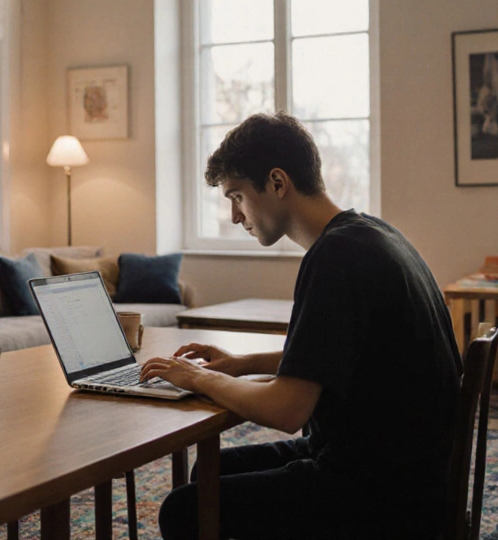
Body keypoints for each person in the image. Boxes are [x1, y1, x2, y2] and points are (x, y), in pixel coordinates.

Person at [140, 112, 461, 540]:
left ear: (277, 183)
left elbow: (285, 410)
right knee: (211, 471)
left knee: (184, 510)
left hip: (383, 496)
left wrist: (198, 378)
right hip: (408, 472)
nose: (235, 217)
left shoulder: (334, 258)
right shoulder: (370, 234)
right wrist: (241, 363)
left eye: (236, 196)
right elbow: (336, 354)